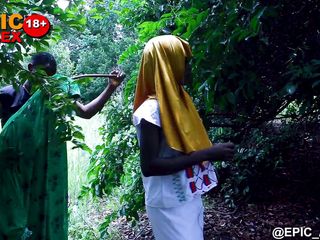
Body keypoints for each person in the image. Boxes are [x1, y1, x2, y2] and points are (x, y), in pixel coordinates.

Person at [0, 52, 125, 239]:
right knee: (14, 222)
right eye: (43, 75)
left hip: (44, 168)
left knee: (43, 217)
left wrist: (111, 88)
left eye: (52, 77)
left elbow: (86, 113)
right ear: (30, 69)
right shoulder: (8, 94)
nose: (47, 82)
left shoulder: (56, 93)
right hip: (14, 170)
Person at [132, 35, 235, 240]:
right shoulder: (150, 111)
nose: (189, 68)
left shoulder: (178, 101)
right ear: (166, 64)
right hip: (167, 202)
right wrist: (207, 153)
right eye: (184, 62)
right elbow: (150, 166)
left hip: (188, 193)